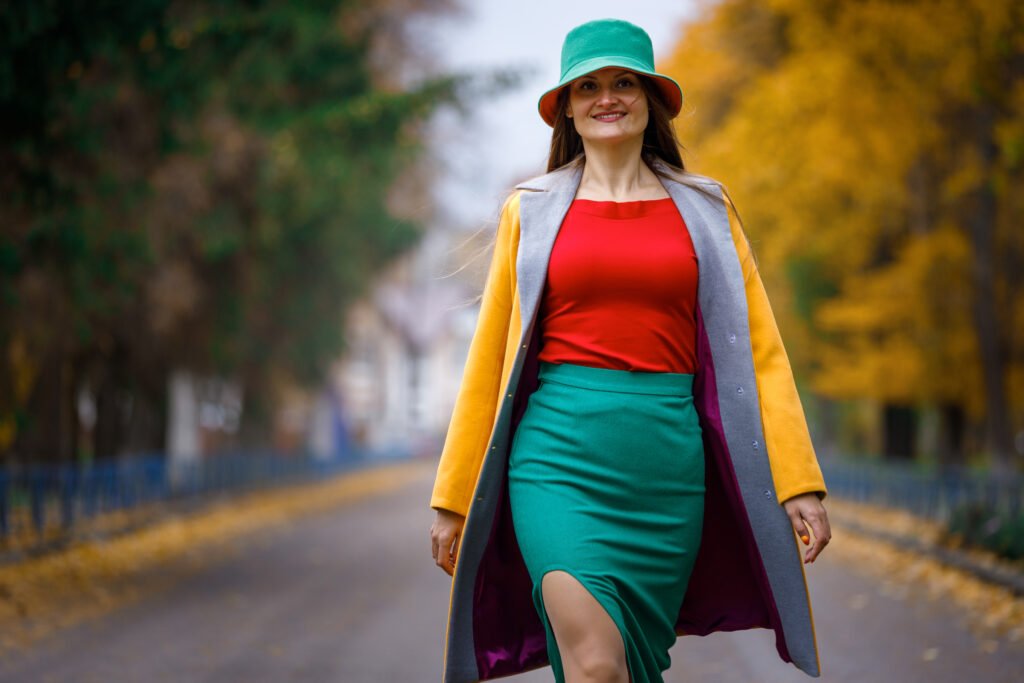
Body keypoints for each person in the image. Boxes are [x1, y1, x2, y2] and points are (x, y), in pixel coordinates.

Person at [429, 17, 831, 683]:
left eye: (623, 82)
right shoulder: (528, 212)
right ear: (566, 107)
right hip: (556, 459)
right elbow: (488, 360)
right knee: (596, 665)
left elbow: (759, 351)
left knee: (633, 667)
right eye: (588, 85)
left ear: (650, 99)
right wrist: (453, 493)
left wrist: (797, 479)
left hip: (666, 473)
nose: (607, 97)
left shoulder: (706, 209)